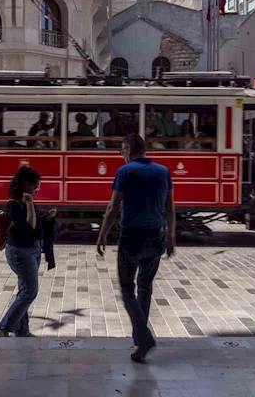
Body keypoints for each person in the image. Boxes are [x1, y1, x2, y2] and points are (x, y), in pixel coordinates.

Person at [96, 134, 176, 363]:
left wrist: (102, 234)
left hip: (131, 237)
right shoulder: (163, 171)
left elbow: (113, 206)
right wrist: (171, 237)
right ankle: (140, 343)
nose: (121, 154)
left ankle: (144, 337)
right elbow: (170, 208)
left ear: (130, 149)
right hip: (156, 237)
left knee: (127, 288)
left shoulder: (126, 171)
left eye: (122, 150)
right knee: (145, 287)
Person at [0, 166, 56, 338]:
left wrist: (47, 218)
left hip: (33, 250)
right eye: (35, 186)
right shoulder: (13, 205)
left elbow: (36, 222)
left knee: (24, 290)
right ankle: (2, 328)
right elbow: (29, 226)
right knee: (29, 292)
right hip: (20, 252)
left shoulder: (26, 202)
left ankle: (22, 331)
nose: (37, 190)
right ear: (25, 185)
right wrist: (29, 203)